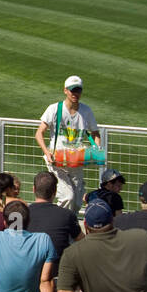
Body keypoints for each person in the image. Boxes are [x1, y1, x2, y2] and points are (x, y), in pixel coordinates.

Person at [56, 200, 147, 292]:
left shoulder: (72, 253)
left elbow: (63, 291)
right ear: (112, 220)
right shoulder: (141, 237)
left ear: (85, 224)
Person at [34, 76, 101, 215]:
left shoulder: (86, 111)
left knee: (76, 202)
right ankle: (59, 225)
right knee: (67, 197)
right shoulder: (54, 109)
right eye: (72, 90)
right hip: (57, 162)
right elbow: (39, 133)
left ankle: (67, 226)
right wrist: (47, 152)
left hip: (76, 162)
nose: (75, 94)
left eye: (78, 90)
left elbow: (95, 133)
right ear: (65, 91)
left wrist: (96, 149)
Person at [26, 170, 81, 265]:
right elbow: (81, 239)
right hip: (58, 272)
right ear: (55, 192)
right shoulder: (67, 215)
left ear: (34, 189)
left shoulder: (23, 214)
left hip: (28, 269)